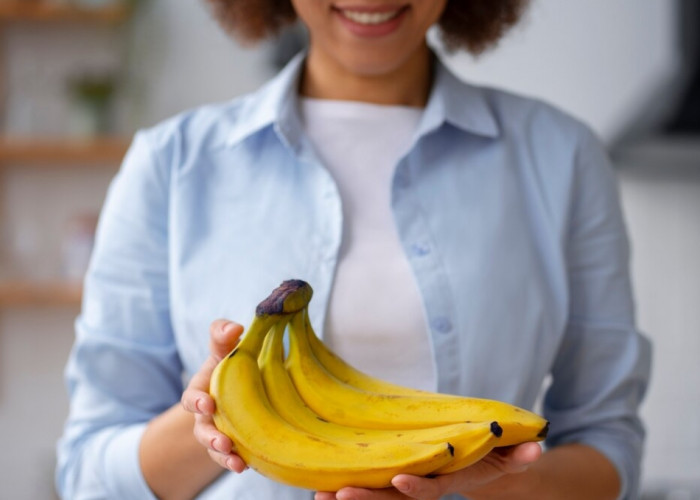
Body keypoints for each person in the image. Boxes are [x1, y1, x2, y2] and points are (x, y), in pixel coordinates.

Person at [55, 0, 652, 499]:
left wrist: (475, 477)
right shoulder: (172, 163)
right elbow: (89, 473)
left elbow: (607, 449)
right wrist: (217, 419)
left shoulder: (562, 157)